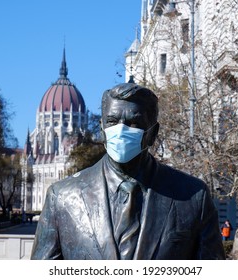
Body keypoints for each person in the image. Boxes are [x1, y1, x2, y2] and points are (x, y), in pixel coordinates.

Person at [31, 83, 225, 260]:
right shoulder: (63, 197)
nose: (120, 130)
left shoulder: (192, 196)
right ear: (102, 128)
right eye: (112, 121)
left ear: (153, 133)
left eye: (133, 123)